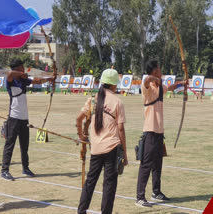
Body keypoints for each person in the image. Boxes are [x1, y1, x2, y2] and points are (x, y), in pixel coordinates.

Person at [135, 60, 188, 207]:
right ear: (154, 72)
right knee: (146, 164)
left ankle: (156, 192)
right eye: (159, 70)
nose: (161, 71)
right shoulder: (148, 86)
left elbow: (169, 88)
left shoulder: (159, 87)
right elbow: (146, 80)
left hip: (159, 132)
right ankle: (140, 197)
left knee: (158, 164)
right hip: (150, 131)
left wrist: (181, 84)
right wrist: (155, 79)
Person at [77, 68, 128, 214]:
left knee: (90, 181)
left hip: (96, 148)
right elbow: (121, 130)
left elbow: (78, 118)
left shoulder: (93, 99)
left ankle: (81, 210)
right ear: (113, 85)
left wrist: (81, 136)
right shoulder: (117, 101)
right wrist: (124, 153)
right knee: (109, 185)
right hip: (112, 147)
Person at [1, 59, 55, 181]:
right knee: (10, 144)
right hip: (13, 118)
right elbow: (9, 74)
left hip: (24, 118)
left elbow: (37, 81)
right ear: (17, 68)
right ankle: (4, 170)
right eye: (22, 67)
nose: (24, 69)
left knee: (24, 145)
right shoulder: (11, 80)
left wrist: (49, 79)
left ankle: (25, 168)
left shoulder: (23, 80)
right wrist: (20, 73)